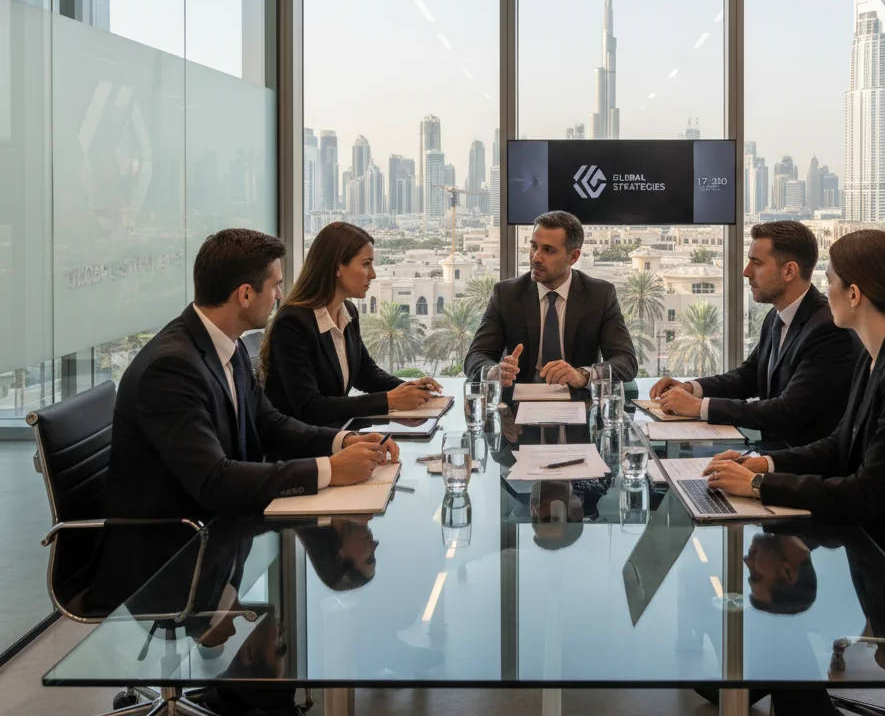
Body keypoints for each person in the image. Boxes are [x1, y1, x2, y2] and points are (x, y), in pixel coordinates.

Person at [704, 229, 885, 632]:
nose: (823, 294)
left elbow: (866, 493)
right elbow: (839, 445)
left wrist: (758, 485)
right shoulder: (877, 354)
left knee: (786, 628)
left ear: (854, 294)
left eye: (829, 282)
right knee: (785, 626)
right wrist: (763, 463)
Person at [93, 229, 399, 608]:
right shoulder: (171, 368)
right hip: (172, 554)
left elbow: (270, 425)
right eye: (275, 286)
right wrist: (331, 470)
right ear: (244, 294)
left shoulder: (227, 344)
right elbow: (214, 480)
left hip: (226, 534)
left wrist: (343, 443)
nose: (281, 297)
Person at [651, 221, 858, 446]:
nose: (746, 272)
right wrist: (691, 388)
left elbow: (788, 410)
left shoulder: (829, 329)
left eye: (756, 263)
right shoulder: (776, 316)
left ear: (789, 271)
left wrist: (699, 407)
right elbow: (749, 376)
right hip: (773, 457)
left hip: (806, 468)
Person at [262, 221, 440, 424]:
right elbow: (310, 407)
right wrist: (389, 402)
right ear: (338, 267)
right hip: (301, 450)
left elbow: (366, 374)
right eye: (366, 264)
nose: (372, 274)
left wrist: (412, 391)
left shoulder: (348, 312)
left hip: (336, 439)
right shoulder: (293, 323)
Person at [464, 210, 637, 388]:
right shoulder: (506, 294)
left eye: (548, 250)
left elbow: (626, 361)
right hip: (519, 400)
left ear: (573, 257)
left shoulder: (600, 295)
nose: (536, 257)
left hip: (578, 402)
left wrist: (583, 375)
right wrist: (493, 372)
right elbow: (476, 356)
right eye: (533, 246)